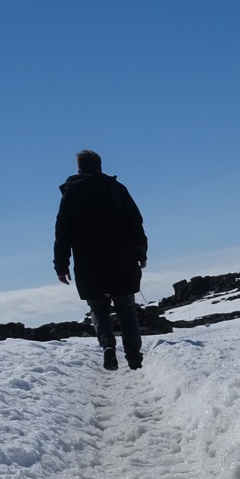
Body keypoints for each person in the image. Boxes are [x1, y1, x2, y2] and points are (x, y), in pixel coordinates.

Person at [54, 150, 148, 370]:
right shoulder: (116, 189)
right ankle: (133, 355)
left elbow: (62, 232)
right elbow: (135, 222)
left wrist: (61, 265)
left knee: (98, 309)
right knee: (126, 308)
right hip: (121, 260)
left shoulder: (70, 195)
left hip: (88, 264)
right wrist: (140, 252)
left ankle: (108, 347)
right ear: (100, 165)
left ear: (79, 168)